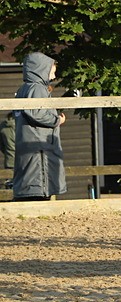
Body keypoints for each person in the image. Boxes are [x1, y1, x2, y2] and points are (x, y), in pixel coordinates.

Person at [12, 52, 67, 201]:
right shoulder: (37, 88)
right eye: (52, 72)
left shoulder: (24, 89)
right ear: (41, 69)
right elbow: (36, 113)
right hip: (39, 145)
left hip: (27, 143)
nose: (53, 77)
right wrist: (56, 120)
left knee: (27, 184)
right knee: (38, 188)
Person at [1, 112, 15, 187]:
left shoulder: (2, 126)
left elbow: (1, 145)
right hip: (23, 160)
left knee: (9, 184)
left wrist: (7, 152)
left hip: (9, 160)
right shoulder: (21, 125)